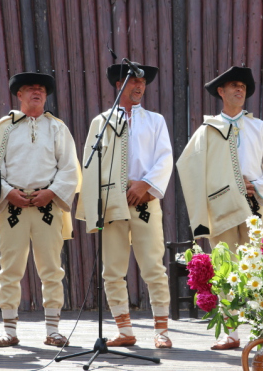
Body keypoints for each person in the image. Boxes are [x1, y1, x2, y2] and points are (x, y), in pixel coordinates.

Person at [176, 65, 263, 350]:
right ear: (221, 92)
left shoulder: (258, 127)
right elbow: (190, 168)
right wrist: (208, 202)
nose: (239, 90)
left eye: (243, 87)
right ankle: (231, 334)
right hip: (221, 210)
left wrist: (257, 185)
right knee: (226, 269)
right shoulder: (206, 131)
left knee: (260, 268)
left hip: (253, 205)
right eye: (234, 85)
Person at [0, 72, 81, 348]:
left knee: (51, 268)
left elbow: (69, 167)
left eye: (41, 89)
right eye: (30, 89)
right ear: (18, 95)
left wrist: (51, 192)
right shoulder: (5, 127)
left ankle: (53, 330)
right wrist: (8, 192)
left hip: (48, 207)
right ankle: (9, 330)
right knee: (9, 269)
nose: (37, 92)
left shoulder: (57, 128)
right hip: (12, 208)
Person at [76, 62, 173, 349]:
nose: (140, 86)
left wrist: (146, 185)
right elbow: (90, 166)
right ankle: (125, 329)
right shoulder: (101, 122)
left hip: (145, 199)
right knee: (113, 268)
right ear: (119, 85)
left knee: (154, 266)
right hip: (112, 202)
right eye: (134, 81)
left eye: (143, 81)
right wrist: (95, 208)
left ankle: (162, 330)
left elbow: (165, 157)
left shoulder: (155, 120)